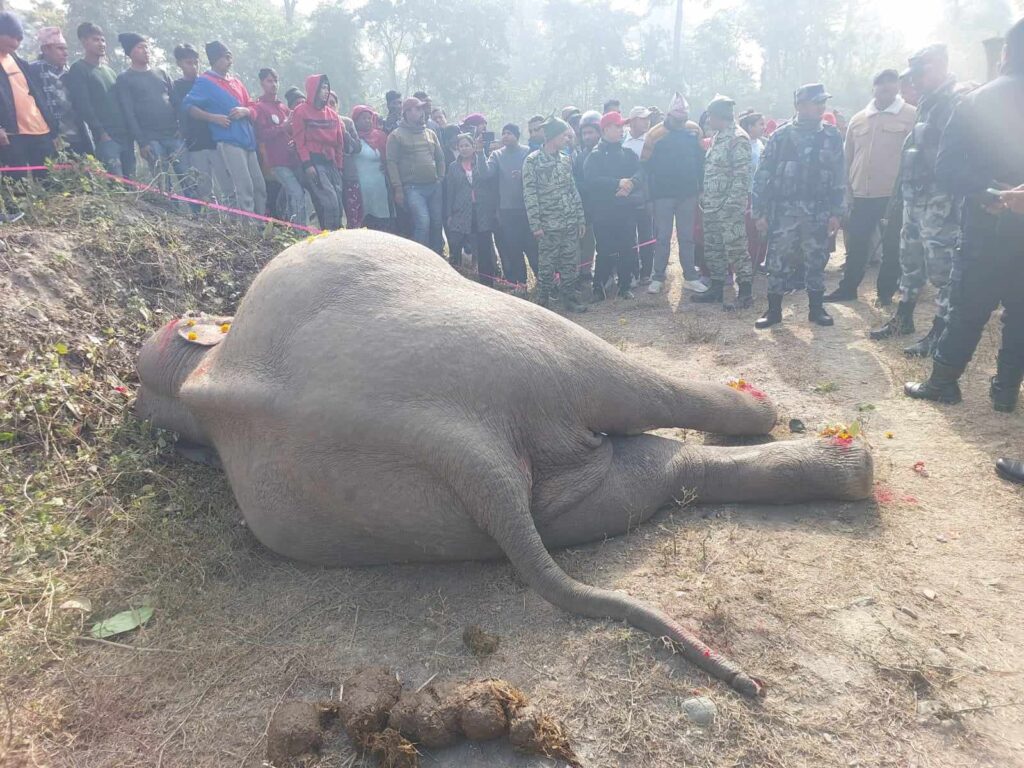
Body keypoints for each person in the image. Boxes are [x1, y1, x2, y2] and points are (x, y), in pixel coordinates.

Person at [905, 20, 1024, 417]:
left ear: (1005, 53)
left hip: (987, 223)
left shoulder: (976, 102)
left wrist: (994, 193)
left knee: (968, 306)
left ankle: (942, 382)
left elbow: (948, 170)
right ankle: (1005, 392)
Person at [871, 44, 960, 356]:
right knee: (910, 261)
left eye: (919, 74)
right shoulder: (928, 102)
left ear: (937, 66)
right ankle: (903, 318)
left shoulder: (958, 99)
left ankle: (941, 331)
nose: (914, 82)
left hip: (942, 201)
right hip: (916, 196)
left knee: (944, 270)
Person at [752, 83, 845, 329]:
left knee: (816, 259)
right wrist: (759, 211)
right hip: (784, 211)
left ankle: (816, 309)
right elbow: (762, 174)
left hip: (818, 211)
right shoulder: (780, 136)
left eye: (823, 102)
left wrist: (837, 212)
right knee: (777, 261)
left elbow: (839, 175)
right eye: (817, 102)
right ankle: (773, 311)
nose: (822, 106)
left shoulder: (832, 136)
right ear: (800, 105)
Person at [825, 69, 916, 303]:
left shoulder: (911, 116)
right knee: (856, 245)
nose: (885, 89)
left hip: (892, 195)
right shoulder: (859, 119)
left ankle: (885, 292)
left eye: (890, 84)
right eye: (880, 85)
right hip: (861, 194)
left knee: (891, 246)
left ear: (897, 87)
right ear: (873, 88)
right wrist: (847, 190)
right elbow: (848, 158)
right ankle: (848, 289)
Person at [182, 41, 266, 215]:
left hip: (248, 141)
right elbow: (188, 106)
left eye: (231, 57)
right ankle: (248, 230)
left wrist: (245, 111)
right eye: (226, 57)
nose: (230, 61)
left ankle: (262, 226)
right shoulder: (205, 82)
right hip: (229, 141)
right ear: (216, 59)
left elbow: (254, 107)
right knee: (244, 188)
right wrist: (213, 118)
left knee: (259, 186)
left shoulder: (236, 82)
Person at [642, 92, 706, 295]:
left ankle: (690, 277)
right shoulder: (655, 134)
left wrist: (701, 189)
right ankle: (658, 277)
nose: (681, 123)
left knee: (687, 237)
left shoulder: (694, 130)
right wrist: (649, 197)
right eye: (677, 119)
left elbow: (701, 161)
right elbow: (645, 167)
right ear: (669, 115)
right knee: (662, 237)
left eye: (684, 119)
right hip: (662, 195)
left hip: (688, 194)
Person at [693, 95, 752, 308]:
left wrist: (732, 204)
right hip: (711, 205)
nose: (708, 121)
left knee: (736, 248)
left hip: (728, 206)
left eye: (710, 116)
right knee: (713, 248)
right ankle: (716, 289)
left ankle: (745, 293)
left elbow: (742, 175)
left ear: (720, 116)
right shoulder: (718, 137)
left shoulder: (738, 138)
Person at [523, 117, 586, 312]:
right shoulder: (533, 161)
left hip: (568, 221)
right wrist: (535, 224)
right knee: (547, 267)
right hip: (548, 224)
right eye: (563, 136)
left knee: (570, 263)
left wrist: (579, 218)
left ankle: (569, 300)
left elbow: (572, 189)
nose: (567, 139)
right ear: (552, 136)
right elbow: (530, 194)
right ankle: (542, 303)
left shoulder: (565, 159)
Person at [583, 111, 641, 300]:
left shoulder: (628, 153)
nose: (622, 129)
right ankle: (598, 288)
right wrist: (617, 182)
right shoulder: (596, 155)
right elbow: (591, 181)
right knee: (605, 250)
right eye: (618, 126)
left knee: (627, 247)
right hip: (604, 212)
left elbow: (641, 173)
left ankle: (624, 286)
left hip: (626, 211)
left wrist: (630, 184)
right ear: (606, 129)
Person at [115, 33, 183, 192]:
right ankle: (171, 214)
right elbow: (128, 113)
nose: (146, 50)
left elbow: (176, 102)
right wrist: (142, 142)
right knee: (163, 182)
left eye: (146, 46)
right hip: (151, 140)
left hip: (174, 135)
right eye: (140, 47)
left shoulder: (161, 72)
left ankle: (198, 214)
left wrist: (182, 127)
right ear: (130, 52)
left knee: (188, 177)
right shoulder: (125, 79)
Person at [66, 22, 133, 178]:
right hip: (105, 137)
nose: (101, 44)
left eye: (103, 40)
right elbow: (83, 105)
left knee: (132, 183)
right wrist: (101, 132)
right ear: (83, 41)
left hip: (124, 135)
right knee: (115, 184)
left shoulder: (109, 71)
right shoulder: (79, 69)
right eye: (96, 40)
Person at [0, 11, 55, 195]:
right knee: (18, 182)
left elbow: (36, 94)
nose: (16, 43)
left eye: (19, 39)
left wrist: (51, 124)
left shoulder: (20, 62)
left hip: (39, 129)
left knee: (49, 179)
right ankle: (20, 215)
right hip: (13, 132)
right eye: (12, 37)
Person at [385, 95, 446, 253]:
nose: (423, 112)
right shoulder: (396, 135)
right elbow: (391, 162)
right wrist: (398, 188)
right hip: (413, 188)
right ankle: (419, 261)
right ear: (407, 112)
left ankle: (438, 260)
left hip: (434, 186)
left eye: (423, 108)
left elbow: (440, 158)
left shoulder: (430, 133)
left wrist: (440, 178)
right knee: (423, 222)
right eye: (418, 109)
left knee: (437, 223)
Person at [171, 44, 229, 206]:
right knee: (204, 189)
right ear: (179, 64)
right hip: (195, 144)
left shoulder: (206, 82)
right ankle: (211, 221)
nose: (194, 67)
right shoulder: (176, 87)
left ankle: (234, 223)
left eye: (196, 62)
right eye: (189, 63)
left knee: (228, 186)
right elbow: (178, 110)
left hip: (216, 140)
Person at [482, 122, 536, 287]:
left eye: (509, 133)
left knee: (533, 247)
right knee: (513, 247)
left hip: (528, 208)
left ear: (517, 136)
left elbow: (537, 174)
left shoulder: (529, 152)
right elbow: (486, 173)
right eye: (503, 133)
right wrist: (479, 154)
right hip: (507, 210)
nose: (505, 136)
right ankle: (521, 284)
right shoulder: (496, 155)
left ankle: (545, 281)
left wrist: (523, 174)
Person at [289, 74, 345, 230]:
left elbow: (339, 143)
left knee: (338, 204)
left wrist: (339, 166)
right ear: (313, 89)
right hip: (314, 163)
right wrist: (307, 164)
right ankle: (329, 237)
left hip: (331, 164)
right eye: (322, 88)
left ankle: (338, 236)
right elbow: (299, 141)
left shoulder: (333, 115)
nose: (325, 91)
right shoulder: (301, 111)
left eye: (327, 87)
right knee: (329, 201)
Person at [444, 133, 498, 286]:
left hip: (481, 211)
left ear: (473, 146)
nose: (464, 148)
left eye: (467, 145)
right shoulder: (453, 167)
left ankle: (487, 281)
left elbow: (487, 177)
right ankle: (455, 280)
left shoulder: (481, 161)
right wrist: (449, 213)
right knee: (455, 245)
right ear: (457, 148)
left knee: (483, 247)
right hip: (461, 211)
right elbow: (450, 191)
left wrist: (481, 154)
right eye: (461, 146)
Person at [253, 67, 304, 224]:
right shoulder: (259, 106)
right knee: (297, 194)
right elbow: (261, 135)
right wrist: (283, 126)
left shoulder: (282, 107)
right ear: (262, 83)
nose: (274, 84)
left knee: (290, 196)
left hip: (291, 159)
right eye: (269, 81)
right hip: (276, 162)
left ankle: (289, 228)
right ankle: (301, 232)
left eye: (276, 80)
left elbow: (293, 130)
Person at [623, 106, 654, 285]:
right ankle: (633, 271)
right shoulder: (622, 141)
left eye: (648, 118)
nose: (647, 122)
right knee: (628, 236)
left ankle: (647, 272)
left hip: (646, 197)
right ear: (633, 121)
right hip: (626, 196)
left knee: (646, 235)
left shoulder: (651, 141)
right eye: (643, 118)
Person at [572, 110, 602, 289]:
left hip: (607, 207)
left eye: (591, 132)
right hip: (587, 208)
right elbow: (576, 180)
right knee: (587, 243)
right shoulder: (580, 156)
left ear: (599, 133)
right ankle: (584, 273)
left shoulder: (608, 153)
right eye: (584, 133)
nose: (587, 136)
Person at [350, 105, 392, 231]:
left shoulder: (380, 136)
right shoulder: (351, 138)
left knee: (381, 220)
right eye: (363, 118)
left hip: (379, 187)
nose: (367, 121)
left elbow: (388, 159)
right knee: (363, 220)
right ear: (355, 121)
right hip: (360, 187)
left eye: (369, 118)